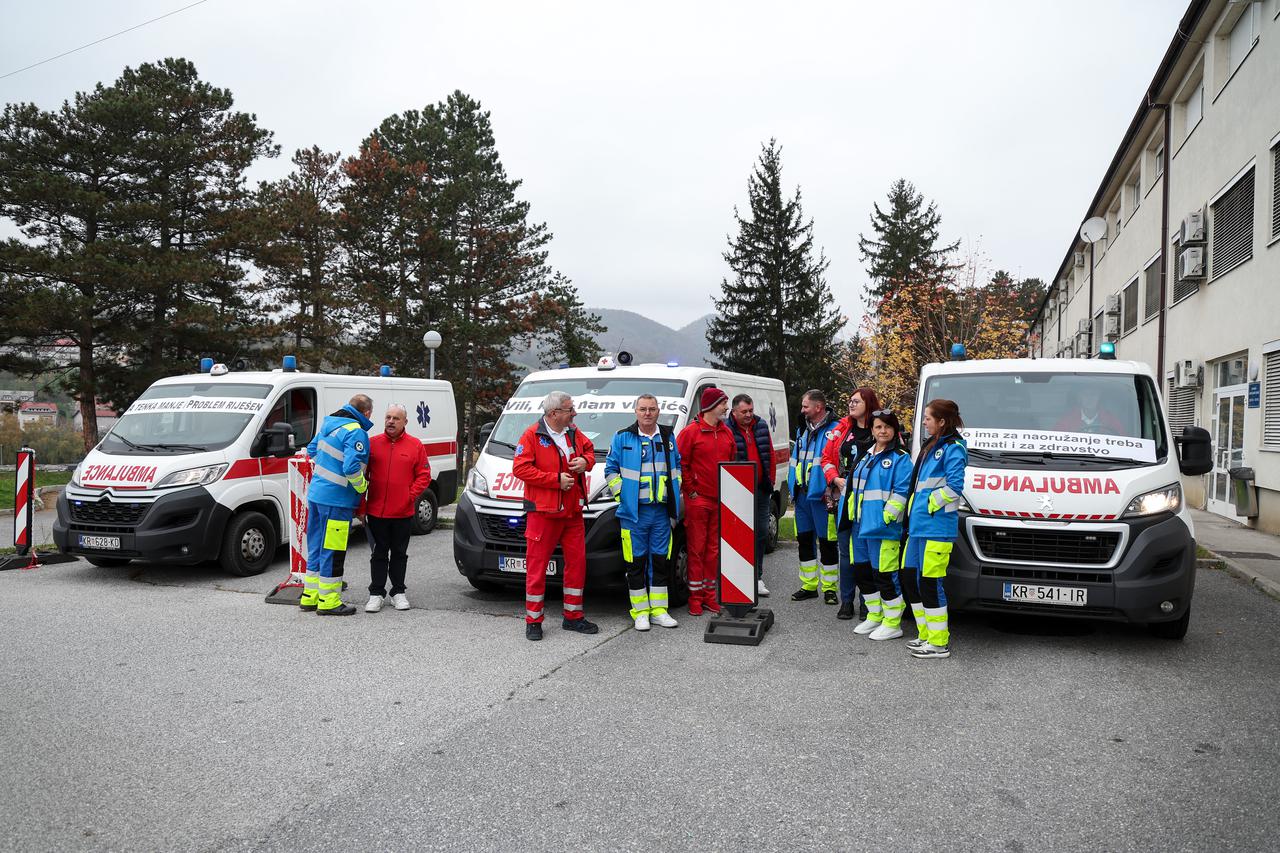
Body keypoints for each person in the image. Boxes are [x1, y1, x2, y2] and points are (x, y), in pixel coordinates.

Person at [512, 391, 599, 641]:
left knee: (577, 565)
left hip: (572, 512)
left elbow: (590, 452)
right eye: (570, 409)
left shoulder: (573, 431)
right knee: (537, 568)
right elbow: (520, 468)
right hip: (543, 514)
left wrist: (585, 461)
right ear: (553, 414)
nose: (574, 413)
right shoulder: (532, 435)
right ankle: (534, 621)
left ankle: (573, 617)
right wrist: (554, 481)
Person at [604, 394, 683, 631]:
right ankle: (640, 612)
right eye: (643, 409)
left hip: (660, 512)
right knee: (635, 563)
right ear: (635, 412)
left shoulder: (668, 436)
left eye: (651, 409)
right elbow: (610, 470)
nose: (647, 413)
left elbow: (677, 467)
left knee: (660, 561)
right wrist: (622, 496)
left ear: (658, 411)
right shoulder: (622, 437)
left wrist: (675, 503)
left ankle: (659, 610)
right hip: (633, 514)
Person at [901, 399, 967, 659]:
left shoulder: (953, 448)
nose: (924, 421)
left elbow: (955, 487)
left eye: (929, 418)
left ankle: (939, 643)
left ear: (942, 421)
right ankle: (925, 634)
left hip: (936, 527)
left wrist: (930, 504)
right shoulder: (932, 445)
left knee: (930, 583)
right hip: (919, 527)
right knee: (911, 578)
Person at [300, 394, 374, 616]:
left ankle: (310, 596)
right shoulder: (356, 431)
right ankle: (329, 601)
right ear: (367, 413)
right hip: (337, 501)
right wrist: (363, 488)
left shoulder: (328, 423)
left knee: (315, 547)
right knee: (333, 549)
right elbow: (352, 469)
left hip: (316, 496)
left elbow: (311, 450)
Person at [846, 409, 912, 640]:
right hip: (860, 526)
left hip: (883, 528)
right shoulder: (866, 455)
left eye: (887, 426)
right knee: (863, 573)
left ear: (894, 429)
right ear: (872, 430)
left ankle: (893, 622)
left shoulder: (901, 458)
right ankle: (874, 616)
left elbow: (902, 491)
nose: (882, 431)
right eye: (878, 427)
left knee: (884, 574)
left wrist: (887, 518)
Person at [363, 403, 431, 613]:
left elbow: (424, 475)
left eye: (396, 418)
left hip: (402, 512)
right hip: (376, 512)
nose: (391, 421)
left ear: (405, 422)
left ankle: (398, 592)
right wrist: (360, 505)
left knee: (399, 553)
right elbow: (362, 475)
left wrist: (409, 496)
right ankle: (376, 593)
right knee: (379, 554)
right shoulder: (372, 444)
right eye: (388, 417)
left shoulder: (415, 445)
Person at [676, 386, 737, 616]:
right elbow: (681, 463)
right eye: (723, 403)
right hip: (698, 500)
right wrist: (691, 490)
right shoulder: (691, 432)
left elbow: (732, 464)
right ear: (712, 406)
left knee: (713, 551)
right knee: (696, 550)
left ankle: (710, 596)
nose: (726, 407)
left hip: (719, 500)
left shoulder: (726, 432)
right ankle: (695, 598)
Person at [825, 387, 879, 619]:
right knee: (846, 553)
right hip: (846, 498)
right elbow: (826, 458)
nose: (851, 404)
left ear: (869, 403)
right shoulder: (842, 428)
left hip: (872, 501)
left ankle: (868, 602)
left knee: (867, 554)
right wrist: (835, 479)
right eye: (849, 401)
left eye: (856, 401)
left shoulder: (882, 426)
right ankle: (846, 600)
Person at [788, 390, 841, 604]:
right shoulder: (803, 429)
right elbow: (796, 461)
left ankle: (829, 588)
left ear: (818, 407)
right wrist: (792, 487)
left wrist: (831, 489)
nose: (802, 410)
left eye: (805, 406)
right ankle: (809, 585)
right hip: (802, 496)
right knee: (804, 541)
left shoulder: (835, 429)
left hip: (822, 496)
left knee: (827, 542)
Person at [726, 393, 774, 598]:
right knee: (738, 537)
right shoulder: (727, 429)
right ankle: (738, 578)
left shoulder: (761, 425)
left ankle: (757, 577)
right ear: (734, 411)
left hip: (761, 489)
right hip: (738, 491)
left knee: (761, 532)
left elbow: (769, 453)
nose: (748, 415)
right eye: (744, 411)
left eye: (751, 410)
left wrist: (770, 480)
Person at [1053, 388, 1126, 434]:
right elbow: (1056, 440)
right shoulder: (1067, 420)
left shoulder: (1110, 420)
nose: (1090, 398)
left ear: (1099, 398)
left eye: (1094, 394)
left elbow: (1122, 441)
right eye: (1085, 394)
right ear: (1079, 398)